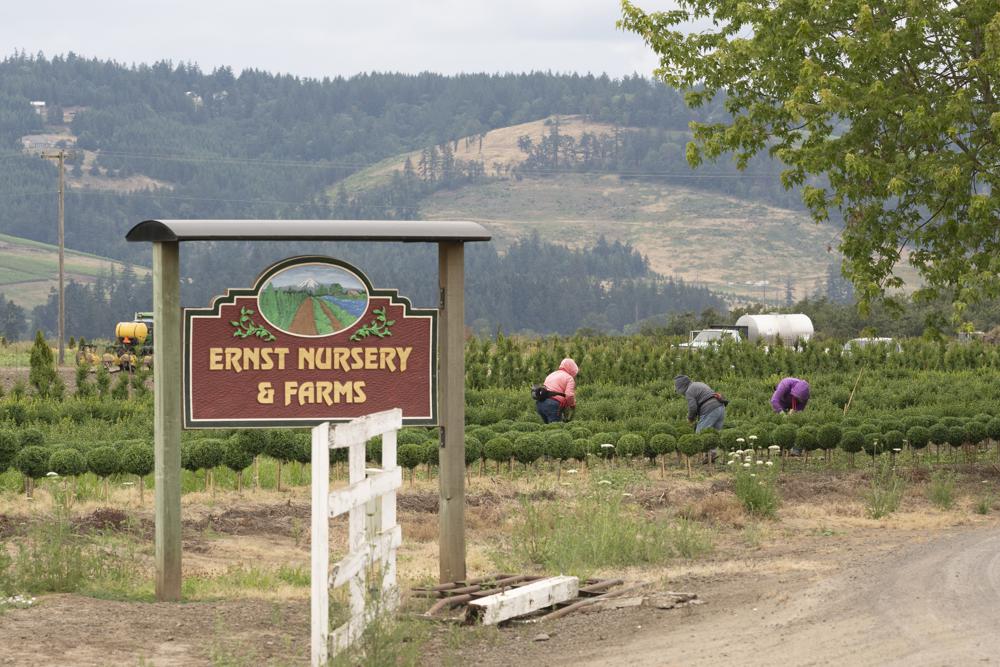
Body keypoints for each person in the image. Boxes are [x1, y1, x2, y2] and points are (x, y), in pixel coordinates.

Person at [674, 375, 726, 461]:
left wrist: (690, 418)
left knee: (699, 433)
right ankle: (711, 454)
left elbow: (692, 407)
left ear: (681, 386)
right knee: (714, 433)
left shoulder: (689, 391)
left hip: (710, 408)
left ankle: (708, 455)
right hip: (720, 407)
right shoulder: (698, 384)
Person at [536, 358, 578, 424]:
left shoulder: (552, 374)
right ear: (572, 369)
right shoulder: (569, 378)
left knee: (547, 429)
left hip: (540, 404)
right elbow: (569, 395)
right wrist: (572, 405)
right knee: (556, 429)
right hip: (552, 405)